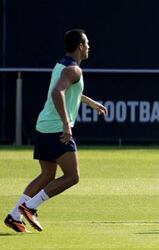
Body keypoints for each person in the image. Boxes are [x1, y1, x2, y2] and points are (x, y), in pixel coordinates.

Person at [4, 29, 107, 232]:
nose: (89, 47)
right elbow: (57, 92)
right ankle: (30, 207)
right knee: (72, 176)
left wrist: (89, 102)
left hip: (44, 126)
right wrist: (66, 123)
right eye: (86, 43)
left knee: (47, 175)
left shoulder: (63, 64)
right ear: (79, 46)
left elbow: (69, 90)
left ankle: (15, 215)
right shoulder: (74, 70)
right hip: (55, 129)